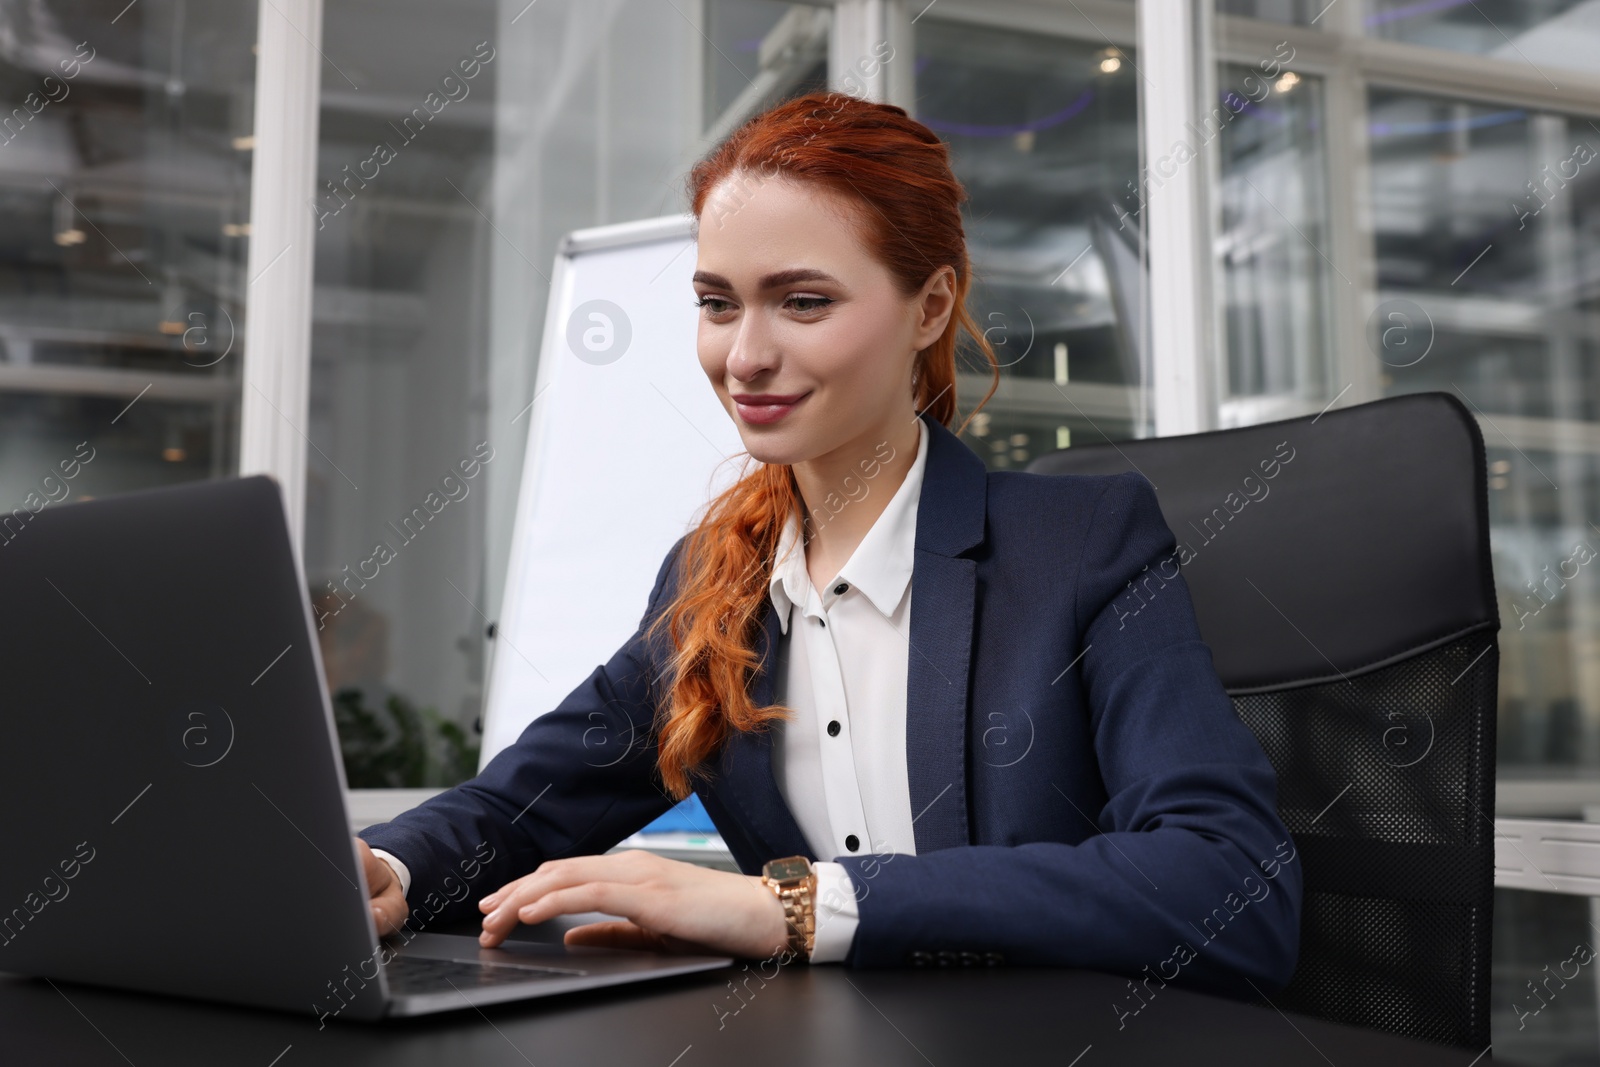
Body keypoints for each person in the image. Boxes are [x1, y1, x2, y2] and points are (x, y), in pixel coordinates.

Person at [355, 90, 1301, 996]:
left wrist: (795, 909)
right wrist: (389, 866)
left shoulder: (1083, 545)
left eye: (802, 302)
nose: (745, 355)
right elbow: (526, 798)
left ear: (930, 308)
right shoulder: (711, 583)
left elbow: (1230, 885)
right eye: (718, 303)